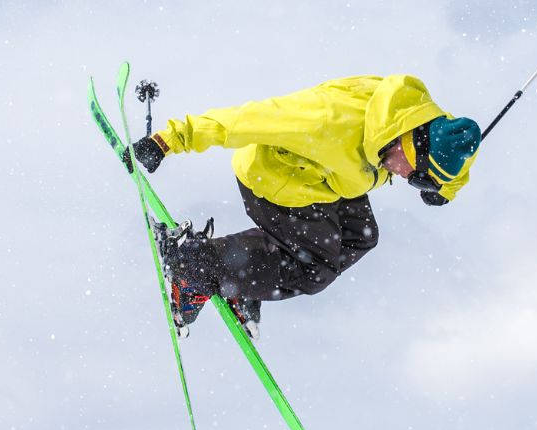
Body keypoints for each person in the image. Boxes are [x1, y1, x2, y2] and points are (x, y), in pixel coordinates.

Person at [122, 74, 480, 334]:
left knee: (361, 236)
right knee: (315, 270)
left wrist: (444, 189)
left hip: (326, 181)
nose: (407, 180)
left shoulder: (419, 119)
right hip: (275, 181)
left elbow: (460, 159)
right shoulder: (327, 122)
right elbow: (246, 121)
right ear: (408, 144)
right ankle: (196, 267)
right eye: (415, 175)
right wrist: (168, 140)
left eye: (422, 181)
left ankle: (246, 278)